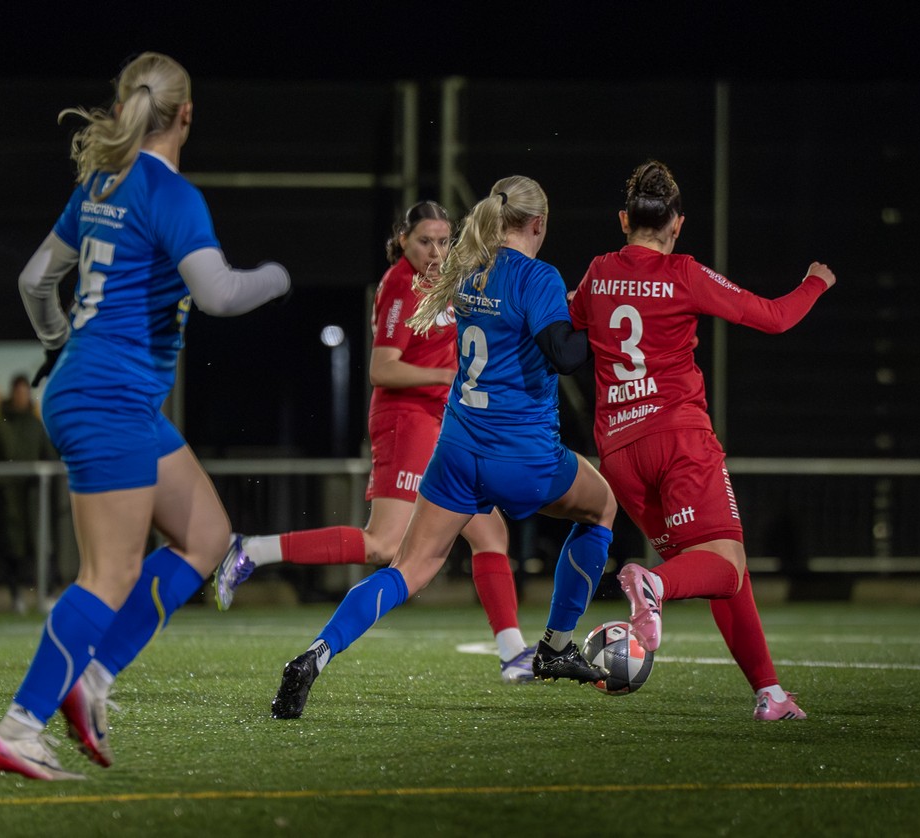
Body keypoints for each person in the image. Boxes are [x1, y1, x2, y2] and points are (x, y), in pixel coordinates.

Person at [0, 52, 291, 781]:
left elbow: (35, 281)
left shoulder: (101, 182)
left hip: (103, 391)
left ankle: (91, 679)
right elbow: (217, 294)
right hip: (110, 398)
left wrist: (59, 343)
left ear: (126, 108)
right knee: (109, 573)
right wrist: (278, 279)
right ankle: (19, 728)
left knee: (206, 536)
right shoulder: (171, 194)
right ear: (187, 115)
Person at [270, 175, 619, 720]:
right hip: (520, 454)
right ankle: (554, 645)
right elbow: (564, 355)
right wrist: (598, 322)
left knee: (407, 568)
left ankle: (315, 654)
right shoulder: (539, 275)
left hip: (456, 450)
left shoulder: (467, 269)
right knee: (602, 508)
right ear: (539, 223)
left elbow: (509, 321)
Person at [215, 201, 536, 683]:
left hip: (444, 423)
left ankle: (513, 654)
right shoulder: (400, 284)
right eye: (425, 241)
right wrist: (446, 376)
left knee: (490, 534)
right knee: (384, 543)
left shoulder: (442, 280)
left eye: (443, 241)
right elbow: (382, 368)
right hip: (407, 421)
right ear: (403, 240)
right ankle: (251, 550)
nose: (436, 251)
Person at [569, 159, 835, 721]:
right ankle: (652, 584)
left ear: (624, 220)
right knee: (726, 566)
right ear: (678, 224)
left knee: (717, 567)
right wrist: (816, 282)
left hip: (619, 453)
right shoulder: (682, 273)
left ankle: (770, 693)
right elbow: (773, 317)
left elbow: (564, 325)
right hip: (677, 439)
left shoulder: (598, 272)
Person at [0, 374, 58, 614]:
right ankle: (16, 596)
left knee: (42, 546)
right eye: (18, 392)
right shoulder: (1, 424)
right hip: (11, 498)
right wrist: (4, 483)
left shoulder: (36, 424)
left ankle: (46, 593)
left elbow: (49, 456)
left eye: (25, 392)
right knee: (13, 548)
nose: (21, 397)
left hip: (35, 497)